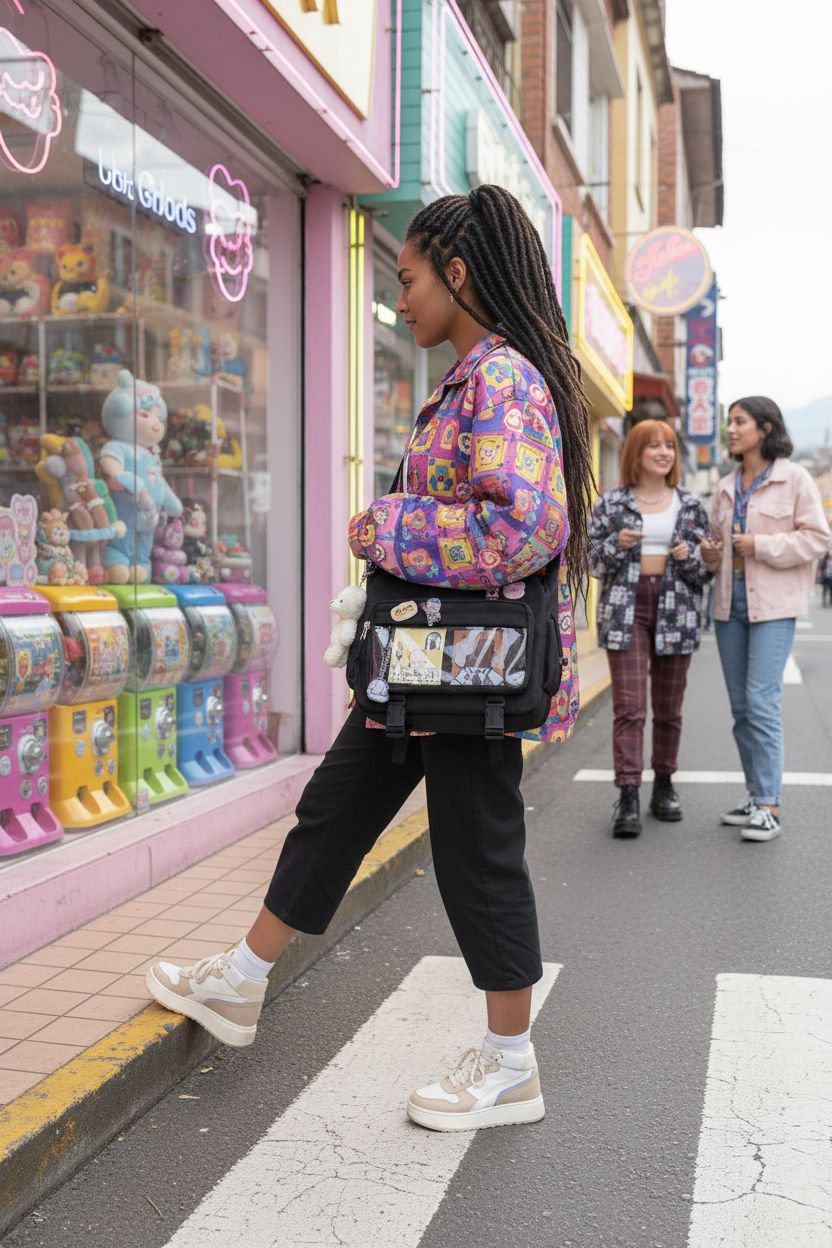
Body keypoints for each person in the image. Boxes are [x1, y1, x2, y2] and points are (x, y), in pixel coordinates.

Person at [146, 186, 594, 1132]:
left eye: (411, 279)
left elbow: (522, 528)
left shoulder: (502, 379)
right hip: (428, 667)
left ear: (460, 273)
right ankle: (241, 979)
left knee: (480, 854)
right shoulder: (477, 377)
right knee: (333, 810)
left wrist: (382, 523)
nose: (403, 303)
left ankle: (512, 1062)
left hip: (463, 670)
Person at [701, 396, 829, 842]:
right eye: (729, 422)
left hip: (773, 605)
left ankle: (770, 805)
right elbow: (718, 544)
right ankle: (755, 795)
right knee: (741, 708)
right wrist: (710, 554)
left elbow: (817, 539)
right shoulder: (725, 484)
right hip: (728, 605)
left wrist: (761, 545)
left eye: (740, 421)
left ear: (766, 428)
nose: (731, 429)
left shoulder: (795, 479)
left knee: (761, 701)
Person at [588, 420, 711, 837]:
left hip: (677, 608)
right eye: (654, 445)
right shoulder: (612, 503)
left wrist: (694, 555)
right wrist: (615, 545)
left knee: (669, 709)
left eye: (670, 446)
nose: (663, 452)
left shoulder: (691, 504)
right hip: (626, 606)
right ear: (636, 453)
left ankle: (664, 784)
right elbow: (591, 563)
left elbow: (701, 574)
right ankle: (627, 794)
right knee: (630, 708)